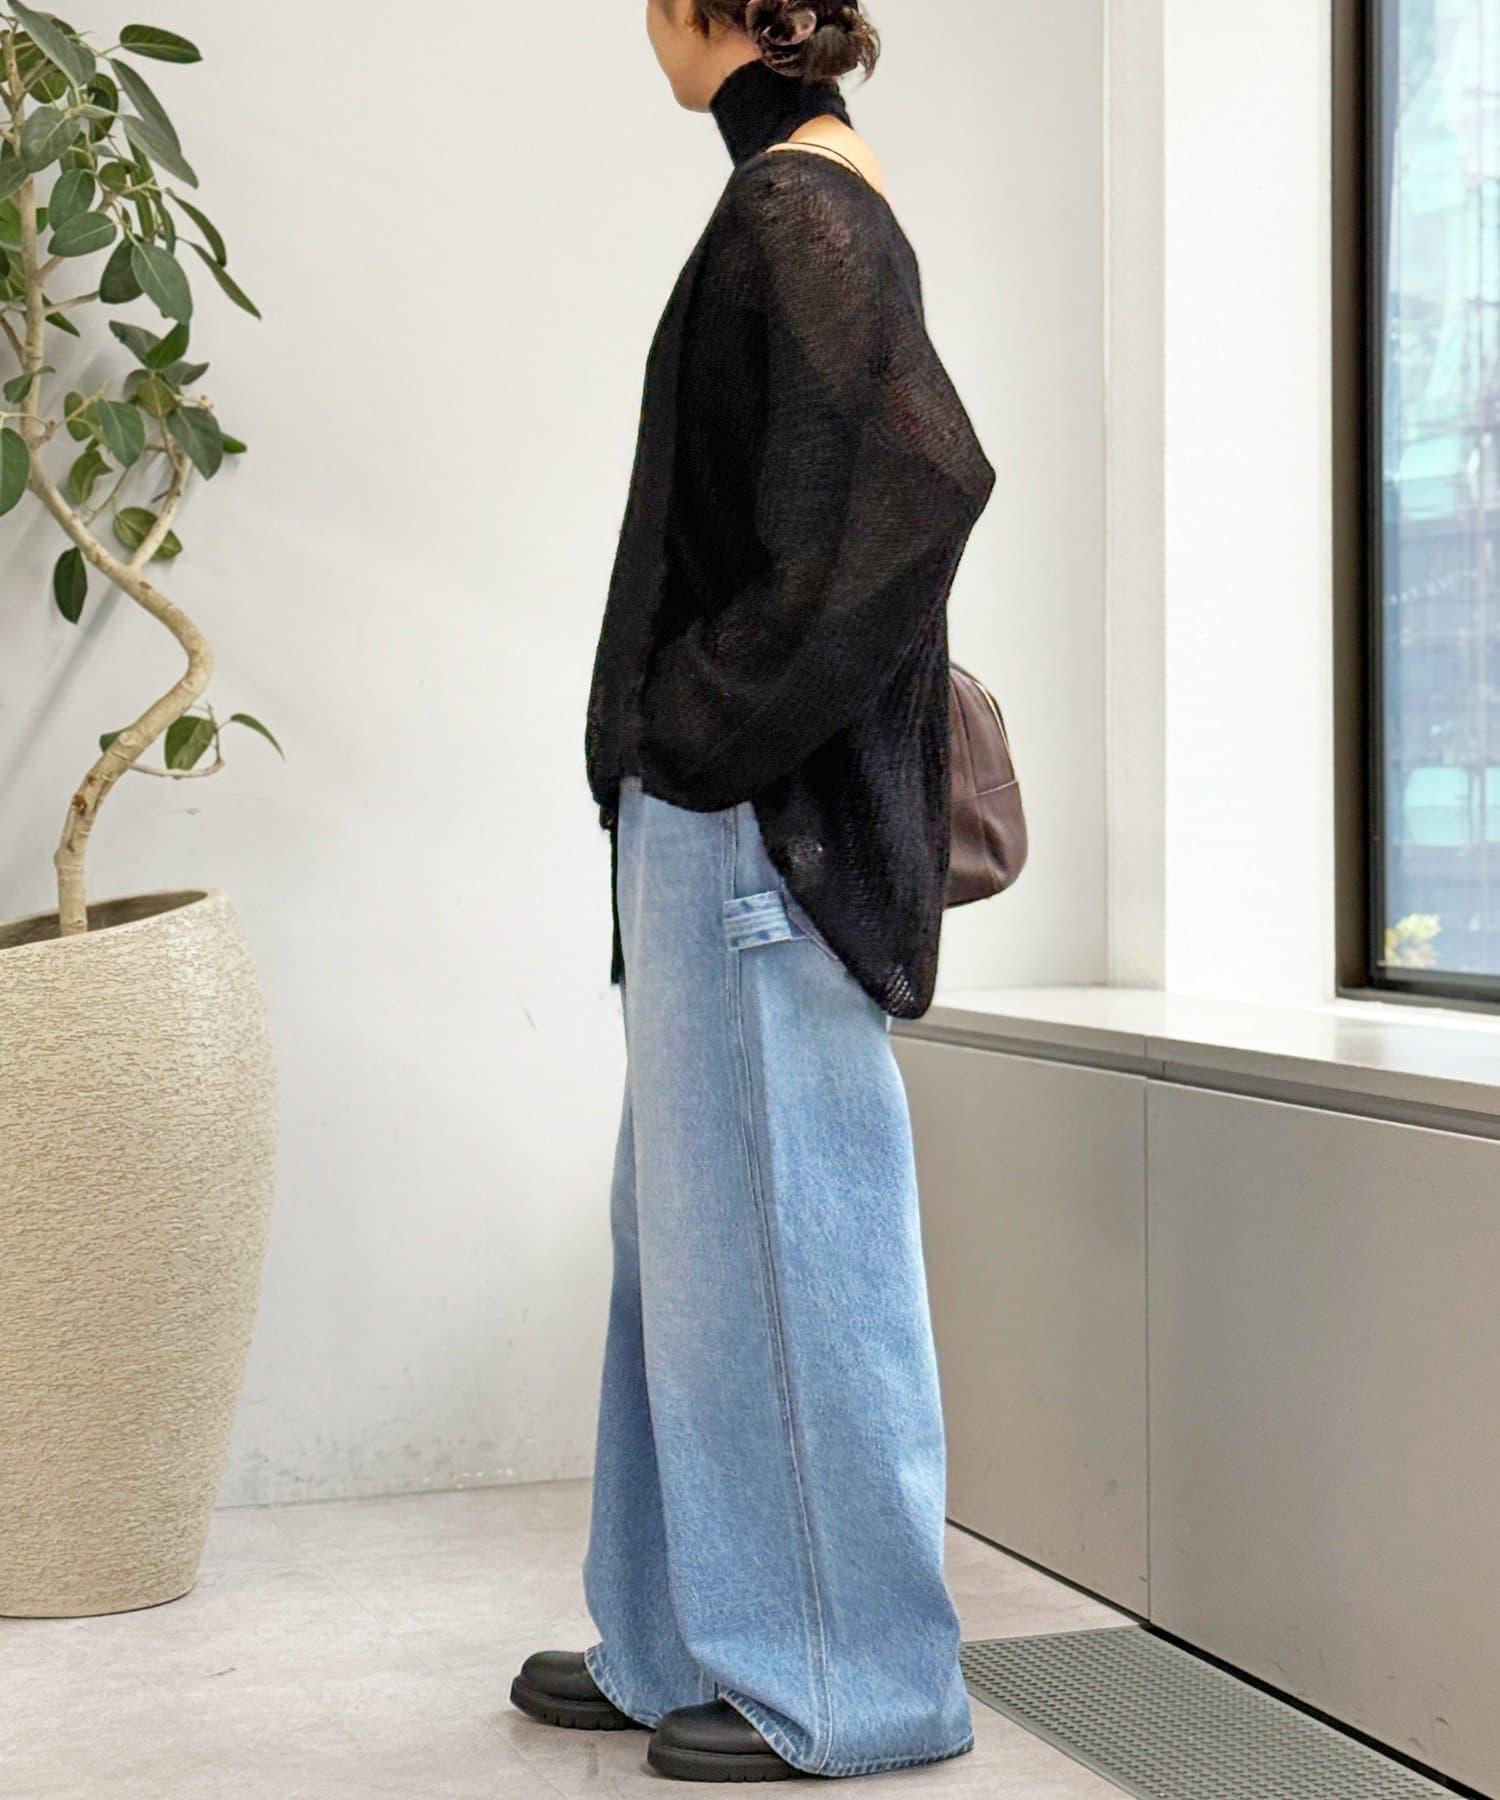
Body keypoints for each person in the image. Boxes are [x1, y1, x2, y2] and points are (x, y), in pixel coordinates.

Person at [512, 0, 995, 1781]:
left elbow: (919, 485)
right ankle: (673, 1642)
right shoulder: (801, 189)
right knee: (696, 1252)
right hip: (720, 824)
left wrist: (702, 730)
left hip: (751, 830)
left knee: (789, 1245)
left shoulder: (799, 205)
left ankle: (854, 1684)